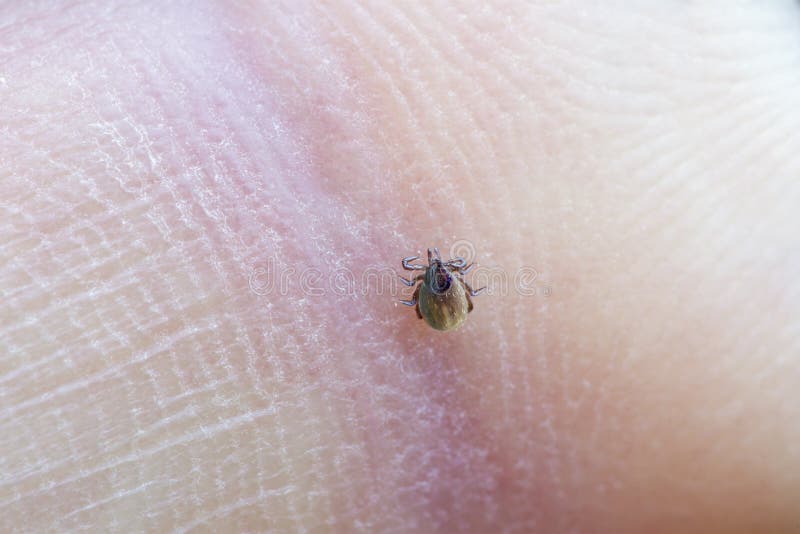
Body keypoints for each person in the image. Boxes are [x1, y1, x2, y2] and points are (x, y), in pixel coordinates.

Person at [1, 2, 798, 531]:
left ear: (436, 281)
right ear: (434, 282)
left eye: (438, 273)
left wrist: (436, 299)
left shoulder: (431, 295)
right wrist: (436, 297)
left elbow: (436, 305)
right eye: (437, 274)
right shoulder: (431, 293)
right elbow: (435, 304)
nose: (437, 275)